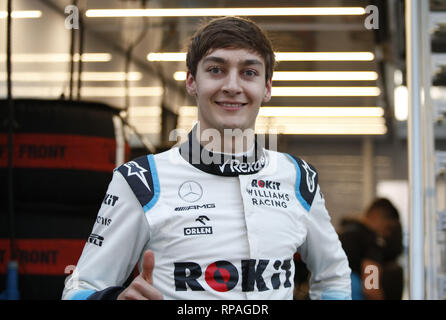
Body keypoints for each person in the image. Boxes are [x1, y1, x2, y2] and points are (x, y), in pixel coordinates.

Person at [62, 16, 351, 300]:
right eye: (216, 70)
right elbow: (79, 287)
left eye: (249, 72)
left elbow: (334, 275)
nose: (232, 86)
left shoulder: (299, 177)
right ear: (191, 81)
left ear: (267, 87)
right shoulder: (141, 180)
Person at [338, 198, 401, 300]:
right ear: (375, 215)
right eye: (388, 227)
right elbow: (371, 287)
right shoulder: (372, 241)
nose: (387, 234)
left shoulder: (342, 232)